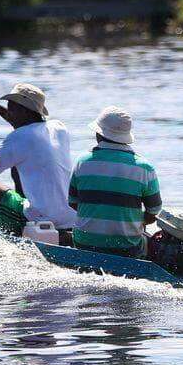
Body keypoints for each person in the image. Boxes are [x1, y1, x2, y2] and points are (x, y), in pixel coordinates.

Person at [0, 83, 76, 236]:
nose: (9, 112)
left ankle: (4, 232)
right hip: (68, 217)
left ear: (25, 111)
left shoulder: (20, 137)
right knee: (16, 163)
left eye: (12, 107)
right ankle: (18, 219)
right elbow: (17, 121)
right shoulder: (58, 127)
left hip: (41, 217)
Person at [69, 106, 162, 258]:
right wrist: (132, 222)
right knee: (147, 240)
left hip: (85, 243)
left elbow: (73, 202)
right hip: (127, 248)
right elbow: (154, 212)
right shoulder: (144, 168)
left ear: (99, 133)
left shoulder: (82, 162)